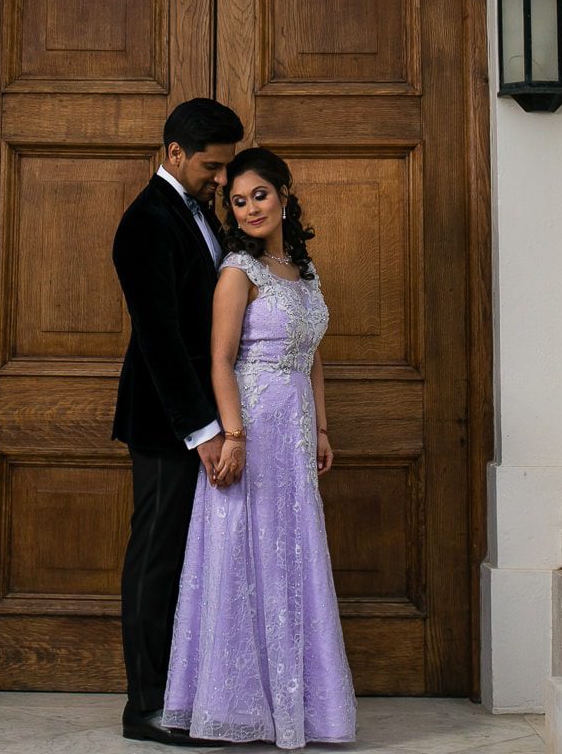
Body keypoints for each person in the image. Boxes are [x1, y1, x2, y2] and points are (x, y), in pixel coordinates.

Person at [160, 147, 356, 748]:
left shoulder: (304, 268)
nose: (248, 209)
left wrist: (321, 428)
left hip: (294, 428)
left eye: (259, 196)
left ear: (285, 194)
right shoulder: (237, 271)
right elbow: (220, 361)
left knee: (291, 554)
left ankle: (298, 706)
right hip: (251, 423)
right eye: (238, 201)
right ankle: (234, 705)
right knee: (241, 553)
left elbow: (313, 357)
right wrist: (232, 437)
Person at [111, 98, 246, 746]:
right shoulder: (145, 222)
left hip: (200, 415)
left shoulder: (197, 214)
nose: (221, 180)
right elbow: (161, 339)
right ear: (173, 154)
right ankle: (146, 707)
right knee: (156, 560)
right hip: (168, 423)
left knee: (185, 562)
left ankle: (184, 693)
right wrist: (206, 431)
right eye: (212, 167)